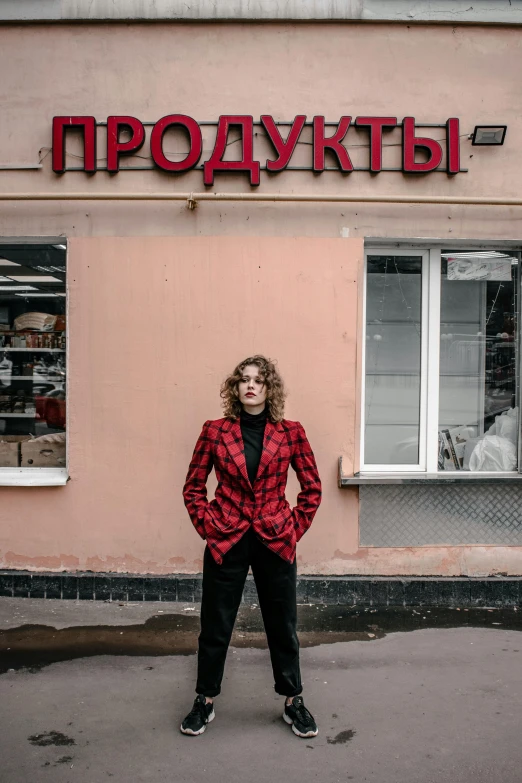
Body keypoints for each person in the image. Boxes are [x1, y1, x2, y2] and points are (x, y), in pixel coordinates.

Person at [180, 355, 322, 738]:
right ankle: (204, 701)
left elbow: (312, 489)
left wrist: (293, 528)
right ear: (234, 387)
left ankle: (294, 701)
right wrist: (209, 526)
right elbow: (193, 487)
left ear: (269, 388)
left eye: (258, 380)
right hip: (226, 537)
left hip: (275, 539)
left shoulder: (291, 432)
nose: (250, 385)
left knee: (282, 625)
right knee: (215, 624)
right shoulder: (214, 431)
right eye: (243, 379)